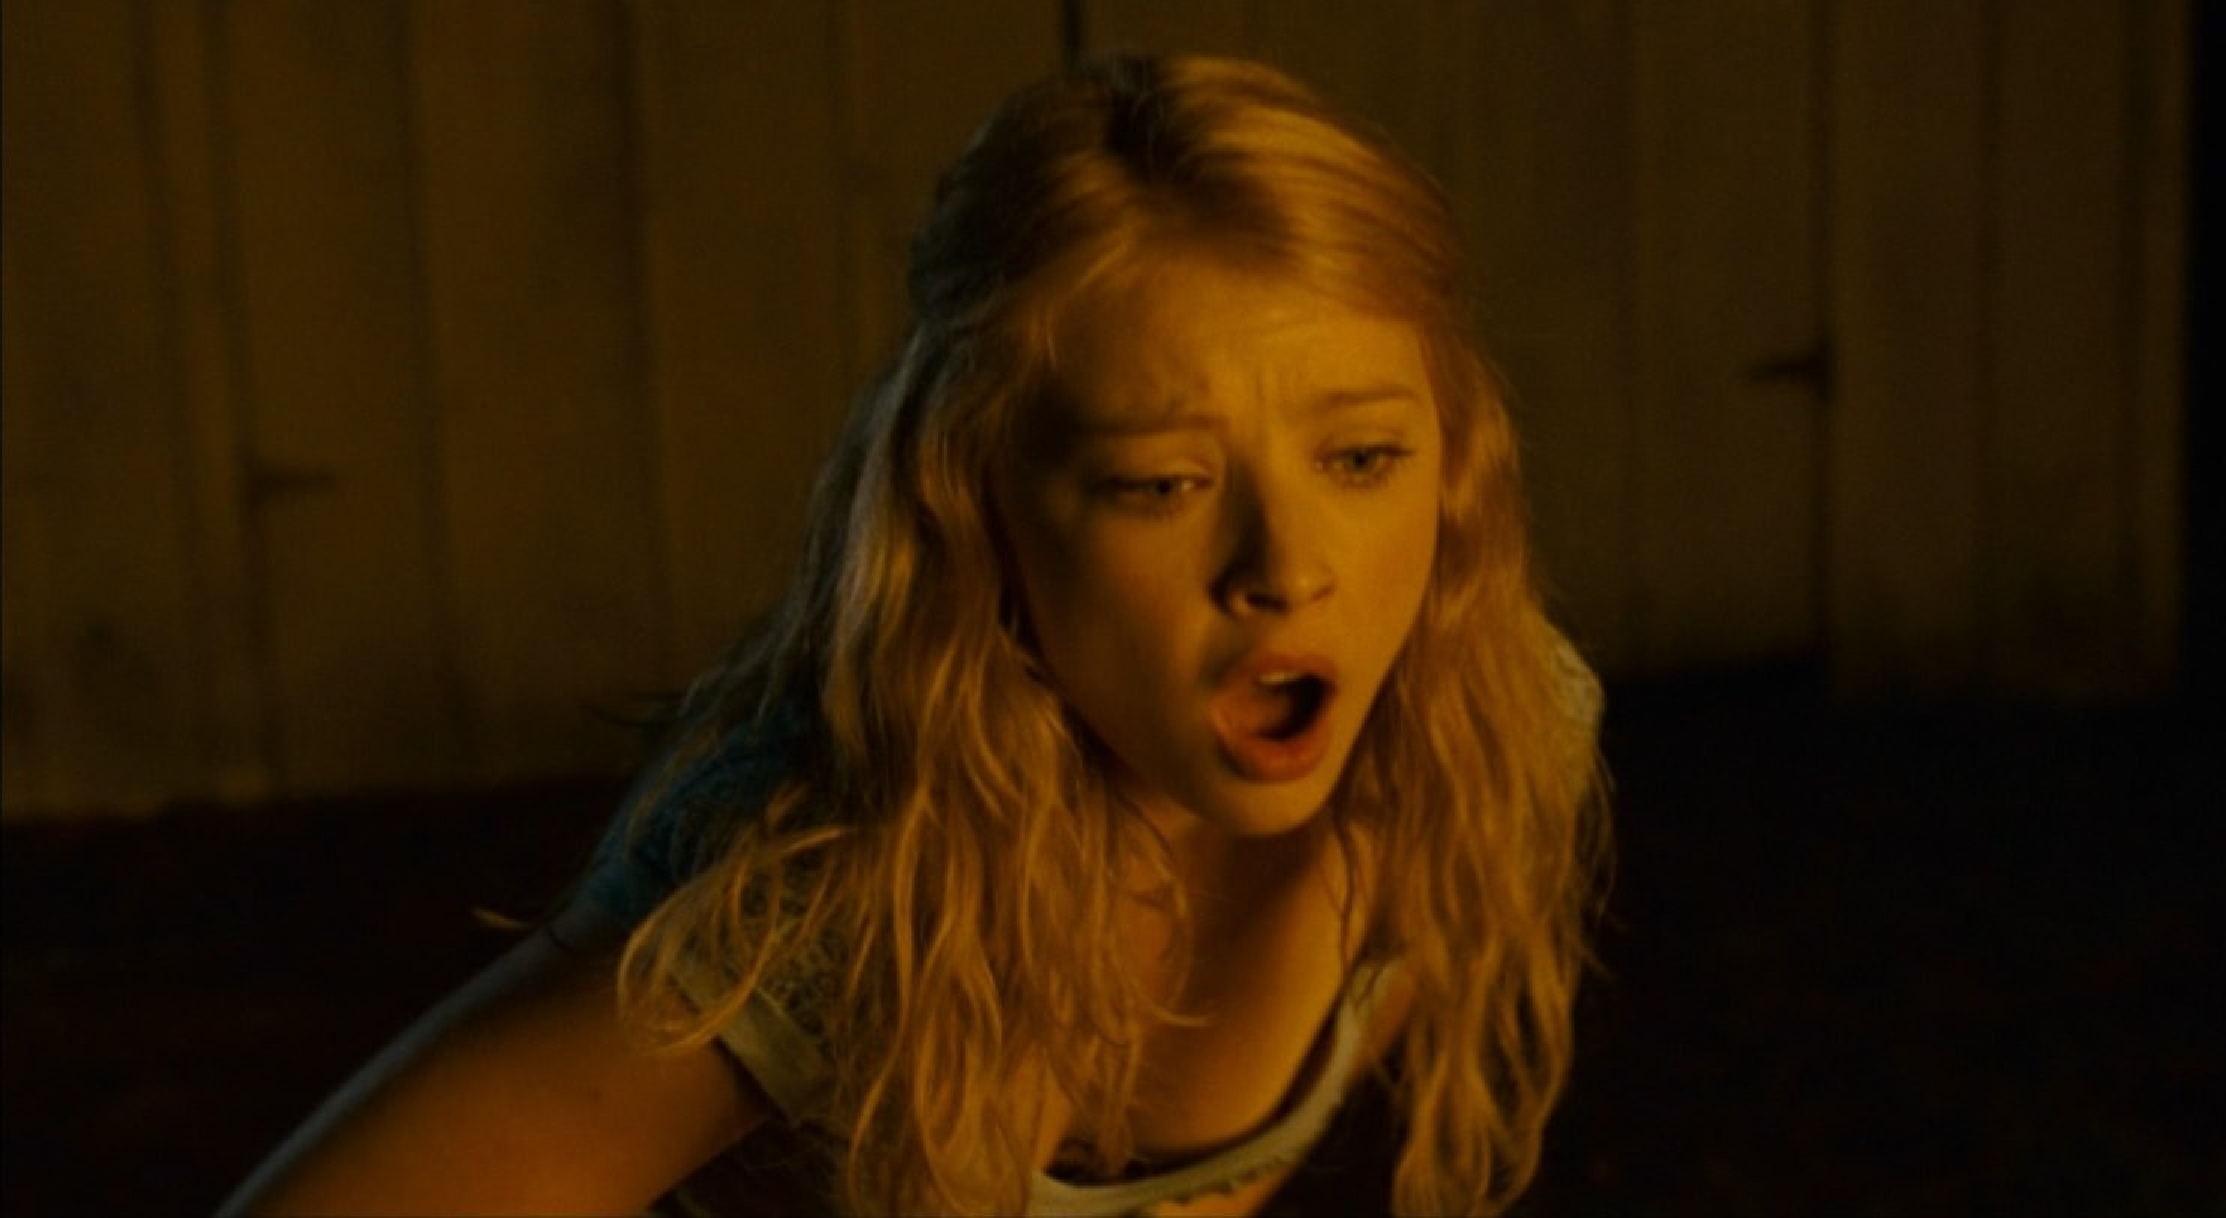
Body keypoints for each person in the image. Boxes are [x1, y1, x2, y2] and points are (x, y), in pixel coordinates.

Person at [220, 52, 1608, 1217]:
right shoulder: (830, 899)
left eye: (1362, 458)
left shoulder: (1492, 732)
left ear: (1456, 461)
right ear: (974, 503)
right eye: (1158, 484)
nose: (1288, 571)